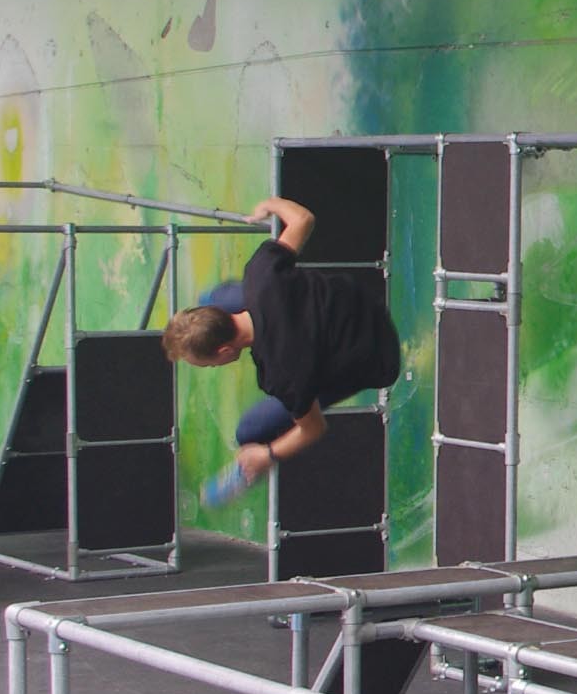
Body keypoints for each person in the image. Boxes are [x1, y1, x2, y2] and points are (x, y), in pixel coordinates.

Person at [161, 194, 402, 492]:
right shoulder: (261, 274)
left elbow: (312, 429)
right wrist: (268, 204)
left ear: (224, 350)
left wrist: (268, 455)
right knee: (214, 296)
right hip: (360, 300)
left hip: (378, 356)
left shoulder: (279, 375)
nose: (212, 367)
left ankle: (249, 467)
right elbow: (304, 219)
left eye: (210, 363)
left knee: (249, 431)